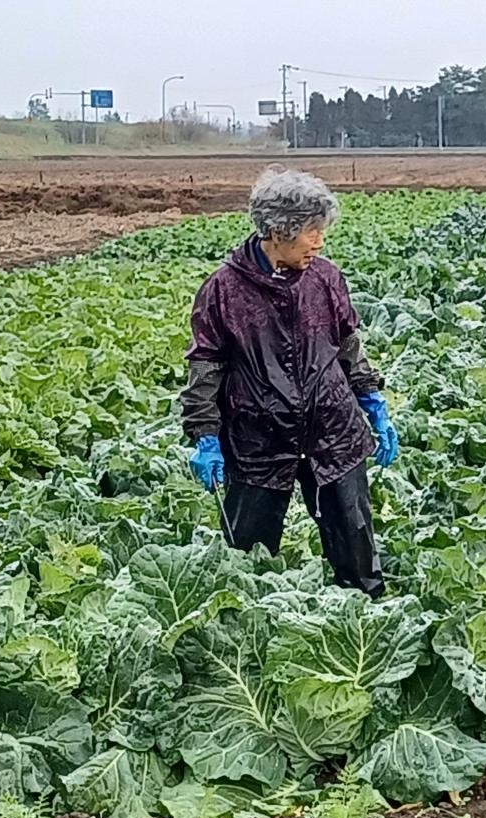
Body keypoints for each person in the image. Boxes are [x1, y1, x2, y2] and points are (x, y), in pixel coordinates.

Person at [180, 167, 398, 598]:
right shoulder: (223, 290)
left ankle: (366, 622)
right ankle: (245, 636)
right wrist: (205, 437)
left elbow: (347, 345)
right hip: (258, 439)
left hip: (333, 432)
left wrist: (372, 400)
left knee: (356, 545)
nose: (319, 242)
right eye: (310, 231)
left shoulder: (325, 278)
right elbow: (205, 367)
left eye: (321, 230)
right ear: (278, 230)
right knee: (247, 558)